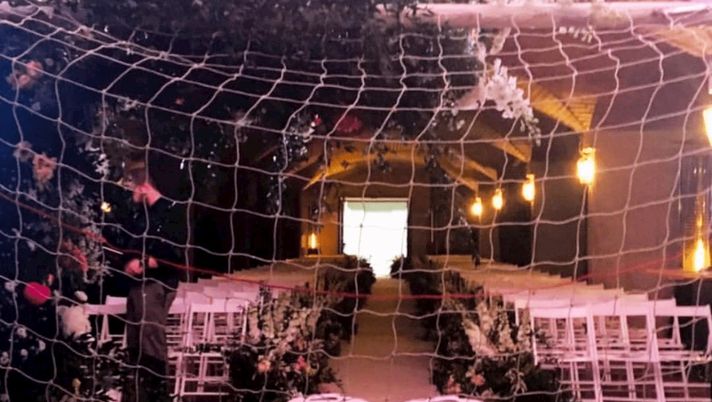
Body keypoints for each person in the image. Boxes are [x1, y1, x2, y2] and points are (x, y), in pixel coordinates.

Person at [116, 161, 188, 402]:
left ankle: (157, 396)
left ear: (143, 185)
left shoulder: (171, 212)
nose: (129, 192)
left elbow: (174, 254)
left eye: (131, 186)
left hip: (156, 286)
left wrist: (145, 263)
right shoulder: (142, 215)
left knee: (151, 341)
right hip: (138, 286)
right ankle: (136, 395)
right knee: (135, 342)